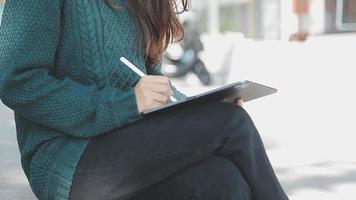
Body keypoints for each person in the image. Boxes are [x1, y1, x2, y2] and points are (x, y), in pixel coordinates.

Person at [0, 0, 289, 199]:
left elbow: (154, 85)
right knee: (232, 122)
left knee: (225, 181)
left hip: (132, 152)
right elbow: (15, 81)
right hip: (67, 161)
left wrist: (203, 109)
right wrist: (124, 103)